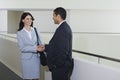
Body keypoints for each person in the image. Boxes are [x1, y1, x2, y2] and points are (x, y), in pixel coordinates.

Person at [44, 7, 74, 80]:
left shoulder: (63, 29)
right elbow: (56, 46)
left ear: (58, 16)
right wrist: (45, 47)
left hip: (60, 68)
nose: (52, 18)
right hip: (60, 67)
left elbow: (63, 51)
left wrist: (56, 65)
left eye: (53, 15)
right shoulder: (63, 27)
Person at [17, 12, 44, 80]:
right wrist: (35, 48)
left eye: (31, 19)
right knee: (27, 78)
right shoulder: (20, 33)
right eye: (27, 19)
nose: (30, 21)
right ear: (23, 20)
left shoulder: (35, 30)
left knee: (35, 78)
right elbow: (22, 48)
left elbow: (41, 42)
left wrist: (42, 46)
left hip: (36, 58)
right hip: (26, 60)